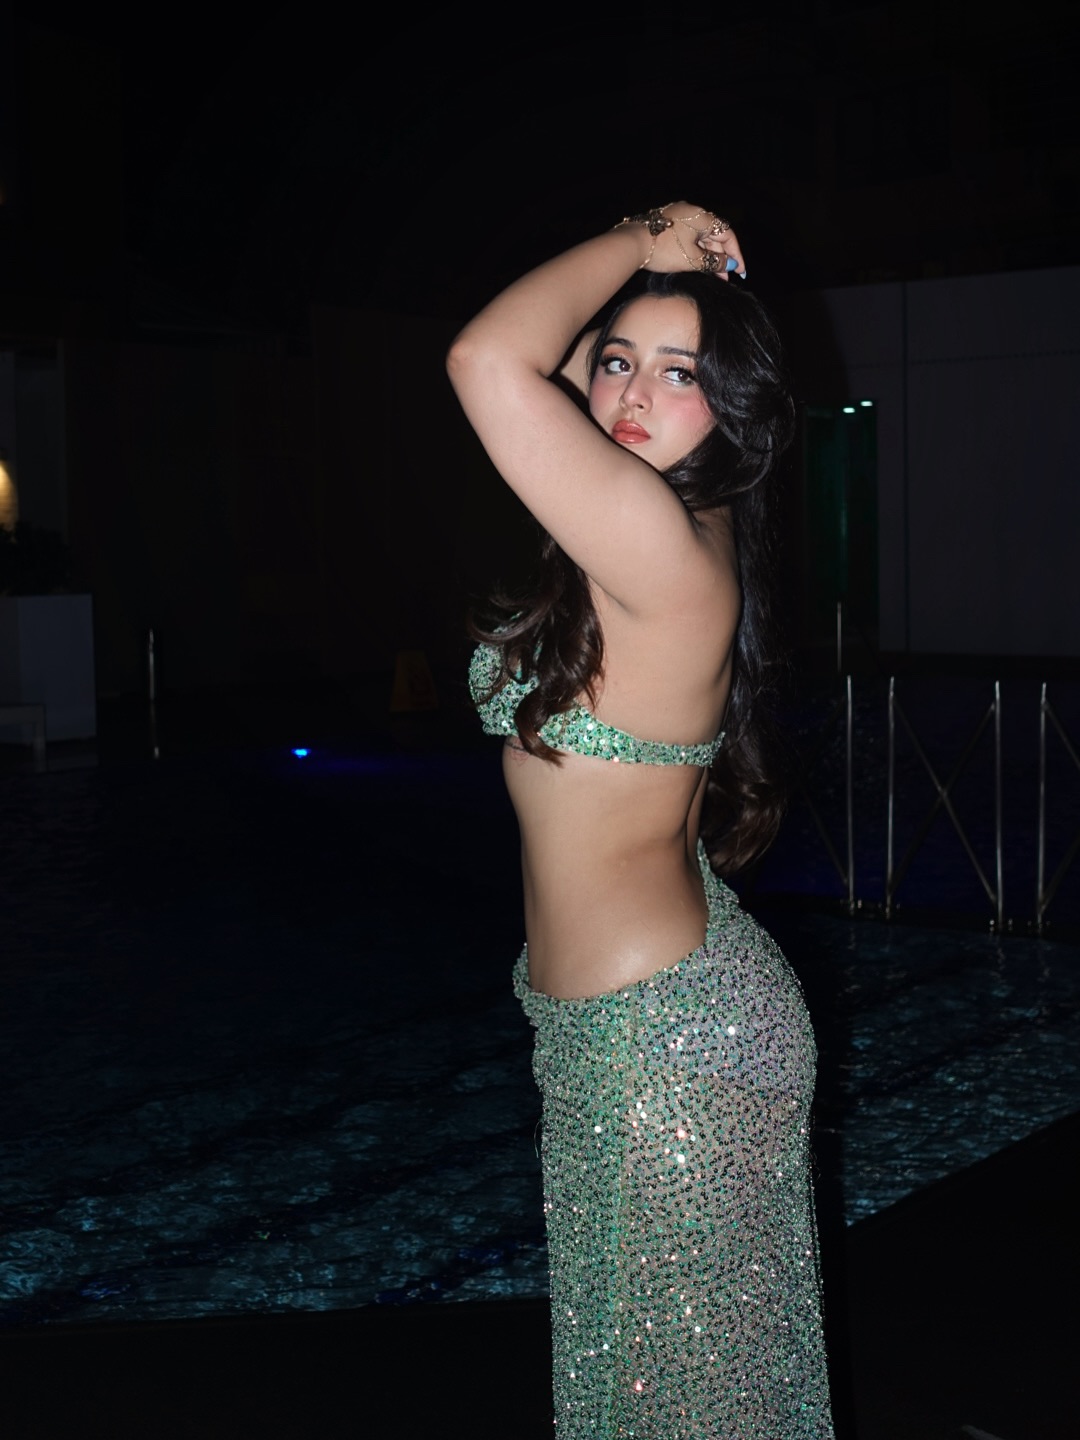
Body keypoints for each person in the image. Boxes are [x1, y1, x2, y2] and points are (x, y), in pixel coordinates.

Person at [447, 203, 833, 1438]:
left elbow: (488, 360)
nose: (630, 393)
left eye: (681, 374)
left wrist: (642, 234)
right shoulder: (651, 521)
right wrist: (648, 287)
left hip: (665, 1047)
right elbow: (548, 371)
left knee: (672, 1411)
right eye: (621, 361)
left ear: (736, 408)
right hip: (635, 1029)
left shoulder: (660, 542)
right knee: (658, 1400)